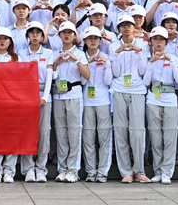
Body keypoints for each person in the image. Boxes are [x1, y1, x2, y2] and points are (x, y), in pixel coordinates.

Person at [109, 13, 150, 184]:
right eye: (123, 25)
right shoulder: (113, 45)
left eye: (129, 24)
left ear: (134, 27)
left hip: (138, 90)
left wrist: (139, 53)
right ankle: (125, 171)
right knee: (120, 130)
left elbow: (142, 71)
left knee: (137, 131)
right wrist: (117, 54)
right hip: (119, 89)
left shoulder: (143, 44)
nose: (126, 27)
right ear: (118, 28)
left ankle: (139, 170)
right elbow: (116, 72)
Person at [50, 22, 89, 183]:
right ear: (59, 35)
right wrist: (56, 63)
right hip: (58, 95)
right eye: (63, 32)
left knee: (74, 132)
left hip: (74, 95)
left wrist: (76, 60)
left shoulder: (80, 53)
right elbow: (51, 76)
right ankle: (63, 168)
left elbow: (86, 75)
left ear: (74, 35)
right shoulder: (54, 54)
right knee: (61, 133)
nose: (66, 35)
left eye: (70, 32)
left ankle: (73, 169)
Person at [145, 25, 178, 184]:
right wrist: (151, 63)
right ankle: (158, 170)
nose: (159, 42)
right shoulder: (148, 58)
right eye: (156, 39)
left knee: (170, 136)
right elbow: (146, 82)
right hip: (153, 98)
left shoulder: (173, 57)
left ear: (167, 42)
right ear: (151, 41)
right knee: (156, 136)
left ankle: (167, 171)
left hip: (169, 98)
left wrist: (171, 61)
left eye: (162, 39)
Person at [20, 23, 54, 183]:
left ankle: (41, 168)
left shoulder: (48, 53)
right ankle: (28, 168)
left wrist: (45, 97)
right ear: (27, 35)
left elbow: (49, 76)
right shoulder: (21, 54)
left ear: (42, 36)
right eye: (31, 33)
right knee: (27, 132)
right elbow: (19, 76)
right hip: (26, 96)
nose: (35, 36)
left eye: (38, 33)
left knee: (44, 133)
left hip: (43, 95)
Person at [0, 27, 21, 183]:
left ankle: (9, 171)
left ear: (10, 41)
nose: (2, 41)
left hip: (12, 102)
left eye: (5, 38)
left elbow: (22, 78)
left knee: (12, 136)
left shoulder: (16, 58)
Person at [80, 25, 112, 183]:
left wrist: (107, 64)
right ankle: (91, 170)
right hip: (87, 101)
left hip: (103, 100)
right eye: (90, 38)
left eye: (96, 38)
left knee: (104, 136)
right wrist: (86, 63)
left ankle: (102, 171)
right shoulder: (81, 57)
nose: (93, 41)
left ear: (100, 41)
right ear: (85, 41)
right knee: (88, 136)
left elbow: (108, 81)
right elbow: (81, 81)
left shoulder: (106, 56)